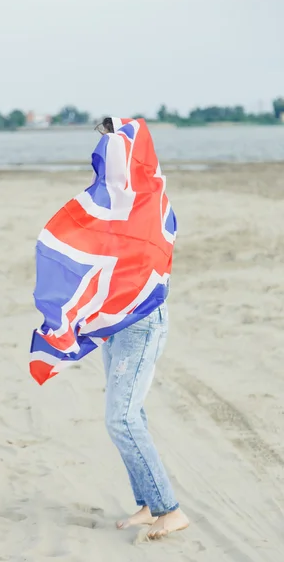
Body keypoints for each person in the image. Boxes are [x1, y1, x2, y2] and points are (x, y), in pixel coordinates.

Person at [97, 118, 189, 540]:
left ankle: (170, 509)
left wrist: (121, 133)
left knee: (122, 418)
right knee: (130, 412)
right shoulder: (117, 199)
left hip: (141, 321)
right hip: (117, 319)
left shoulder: (148, 198)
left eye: (115, 149)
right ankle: (148, 504)